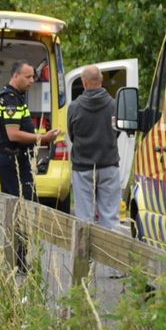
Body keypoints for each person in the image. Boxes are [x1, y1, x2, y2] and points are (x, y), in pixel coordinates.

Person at [0, 61, 59, 201]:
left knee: (14, 203)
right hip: (12, 159)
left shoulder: (8, 95)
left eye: (33, 77)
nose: (32, 81)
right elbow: (13, 134)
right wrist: (43, 137)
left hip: (10, 158)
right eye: (28, 77)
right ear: (16, 76)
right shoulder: (11, 99)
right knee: (24, 202)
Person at [68, 65, 121, 228]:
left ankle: (84, 253)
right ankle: (108, 252)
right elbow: (117, 131)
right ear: (102, 80)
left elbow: (72, 135)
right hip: (109, 165)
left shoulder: (74, 107)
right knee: (110, 217)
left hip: (83, 167)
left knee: (84, 218)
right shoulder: (114, 105)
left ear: (84, 82)